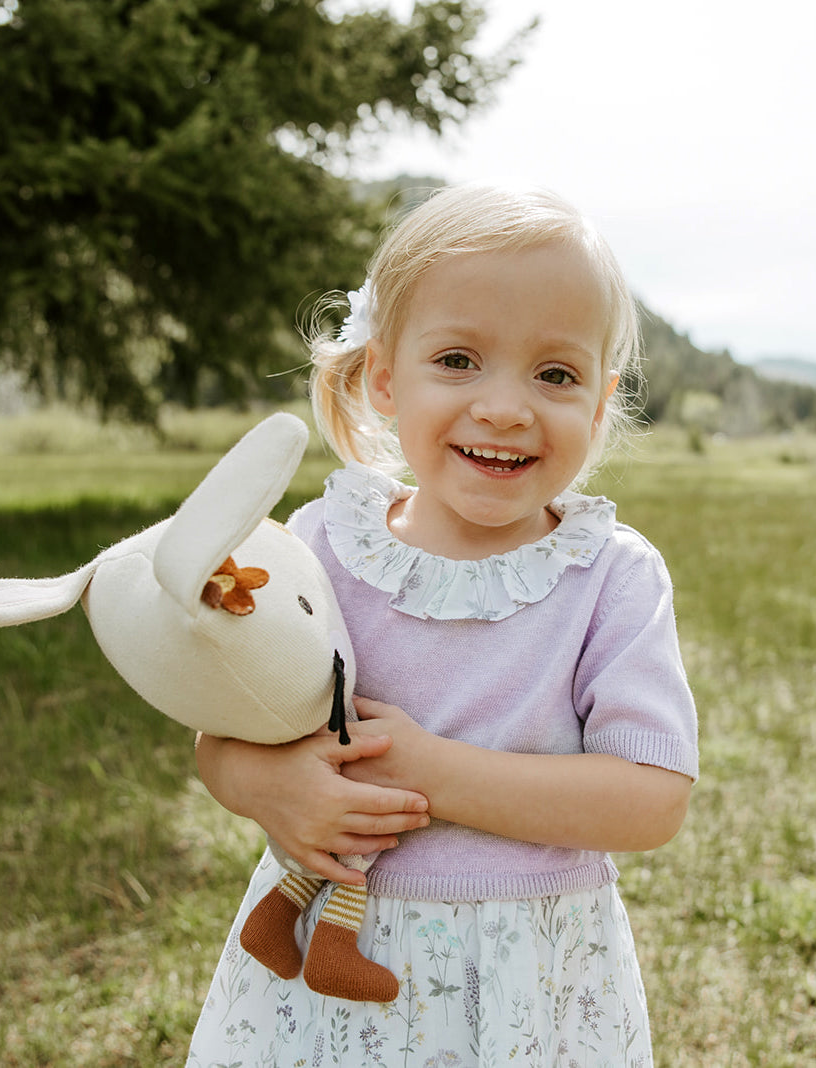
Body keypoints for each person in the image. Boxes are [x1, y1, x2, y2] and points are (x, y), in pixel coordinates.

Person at [187, 183, 698, 1067]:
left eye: (554, 374)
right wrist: (266, 786)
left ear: (600, 400)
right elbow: (222, 732)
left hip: (523, 979)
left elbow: (649, 799)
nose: (504, 406)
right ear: (384, 376)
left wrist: (429, 770)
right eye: (458, 359)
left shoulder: (608, 575)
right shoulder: (321, 547)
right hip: (325, 955)